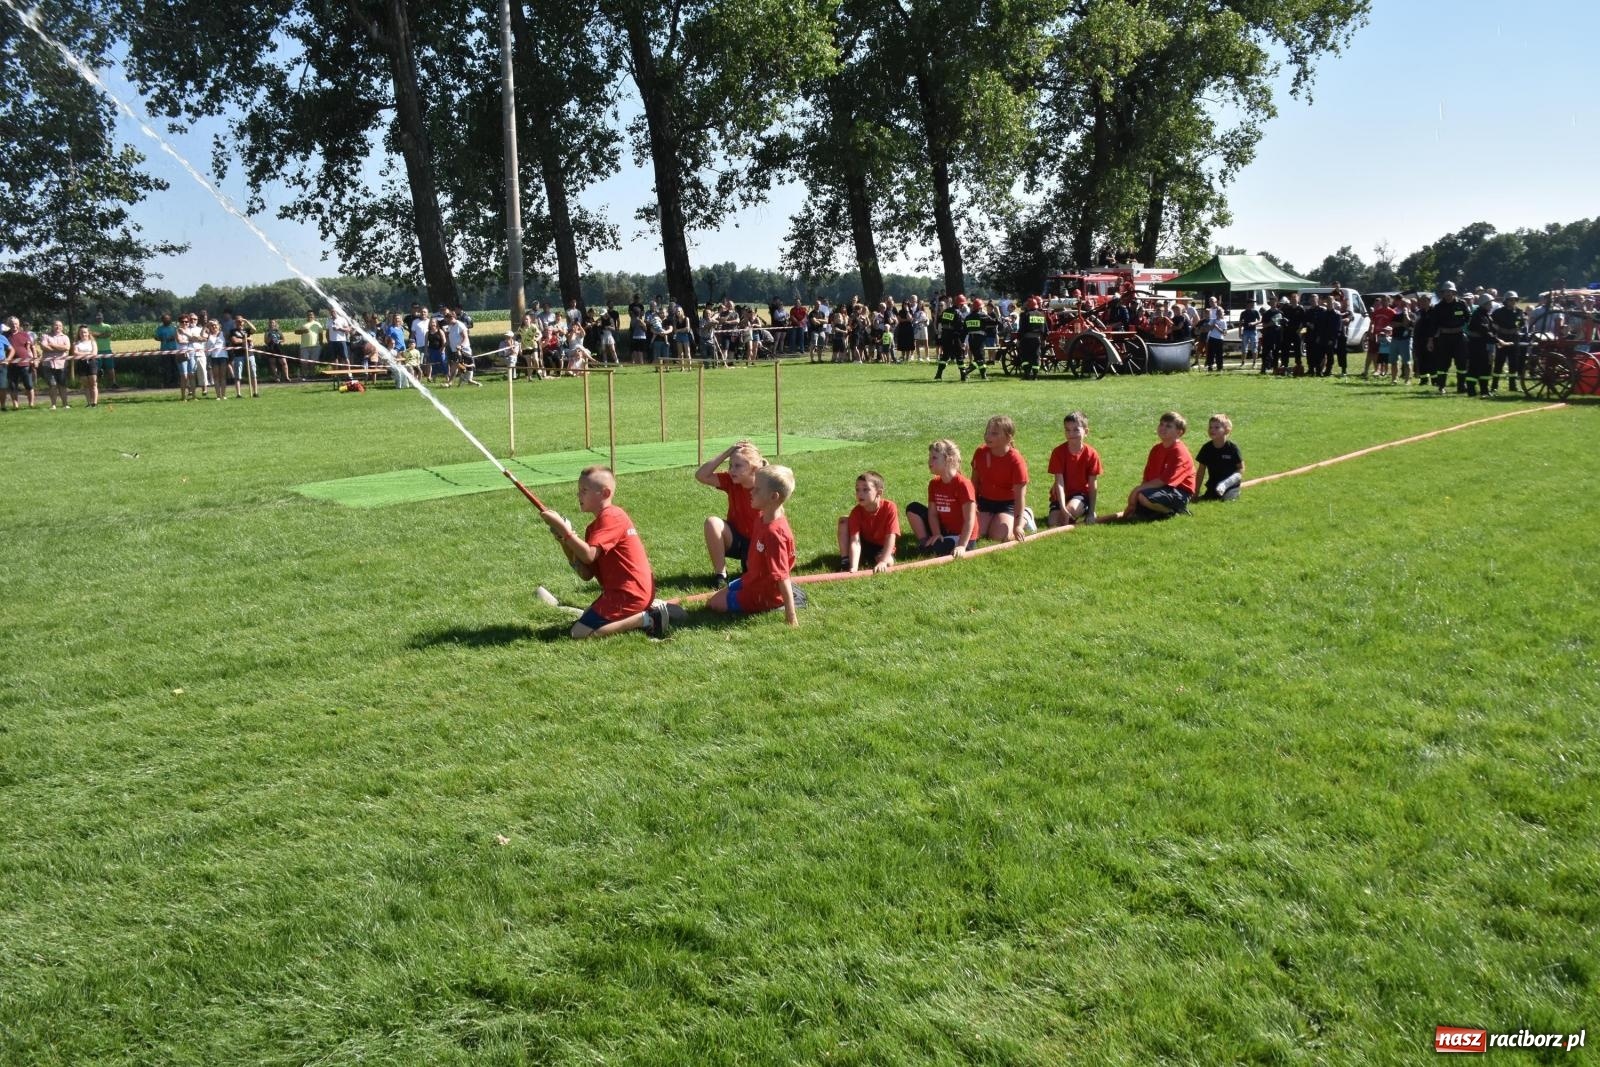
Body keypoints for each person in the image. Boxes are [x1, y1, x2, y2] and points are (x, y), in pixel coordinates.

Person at [537, 466, 675, 640]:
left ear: (605, 493)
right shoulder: (593, 528)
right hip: (620, 593)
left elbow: (588, 555)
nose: (578, 495)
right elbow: (586, 573)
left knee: (578, 633)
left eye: (584, 491)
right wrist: (563, 541)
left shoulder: (613, 516)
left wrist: (566, 532)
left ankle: (648, 619)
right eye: (578, 490)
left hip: (630, 594)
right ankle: (646, 613)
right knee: (586, 618)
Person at [706, 465, 801, 627]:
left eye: (757, 489)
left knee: (713, 605)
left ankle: (777, 604)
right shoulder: (762, 518)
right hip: (752, 579)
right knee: (712, 601)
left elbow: (782, 576)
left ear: (773, 497)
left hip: (763, 594)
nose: (751, 492)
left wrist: (791, 617)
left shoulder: (774, 534)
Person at [696, 439, 766, 589]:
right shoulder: (731, 481)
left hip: (759, 542)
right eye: (730, 465)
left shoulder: (765, 485)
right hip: (736, 539)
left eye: (737, 466)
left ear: (753, 468)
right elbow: (701, 475)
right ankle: (721, 575)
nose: (731, 470)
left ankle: (751, 562)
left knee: (754, 577)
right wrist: (727, 452)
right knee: (712, 522)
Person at [1112, 411, 1196, 521]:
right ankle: (1156, 512)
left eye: (1168, 426)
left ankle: (1173, 511)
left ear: (1179, 432)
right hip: (1160, 489)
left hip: (1179, 492)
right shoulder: (1156, 449)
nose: (1163, 428)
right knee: (1133, 512)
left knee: (1143, 496)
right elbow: (1147, 478)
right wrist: (1136, 499)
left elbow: (1163, 481)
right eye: (1161, 424)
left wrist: (1137, 491)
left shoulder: (1179, 452)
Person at [905, 438, 978, 557]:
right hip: (945, 531)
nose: (929, 461)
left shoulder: (963, 484)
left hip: (963, 536)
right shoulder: (934, 484)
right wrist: (937, 534)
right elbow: (932, 514)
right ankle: (925, 542)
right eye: (929, 457)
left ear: (948, 460)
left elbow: (970, 519)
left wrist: (962, 545)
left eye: (934, 458)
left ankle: (931, 547)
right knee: (913, 508)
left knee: (934, 550)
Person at [971, 414, 1029, 542]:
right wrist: (973, 503)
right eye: (987, 432)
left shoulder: (1016, 461)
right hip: (985, 501)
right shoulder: (980, 452)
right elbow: (974, 482)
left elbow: (1020, 496)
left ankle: (1025, 517)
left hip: (1007, 504)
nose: (987, 436)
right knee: (976, 533)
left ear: (1008, 438)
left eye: (994, 433)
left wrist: (1018, 526)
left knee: (998, 536)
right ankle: (993, 518)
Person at [837, 470, 901, 573]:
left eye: (865, 490)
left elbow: (891, 537)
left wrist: (883, 562)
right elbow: (855, 541)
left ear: (879, 493)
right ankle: (846, 561)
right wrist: (853, 568)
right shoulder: (856, 512)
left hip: (882, 546)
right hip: (865, 543)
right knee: (843, 521)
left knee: (888, 562)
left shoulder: (890, 507)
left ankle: (879, 558)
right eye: (857, 490)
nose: (860, 494)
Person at [1046, 410, 1101, 527]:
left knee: (1070, 510)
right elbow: (1059, 482)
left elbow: (1093, 484)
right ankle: (1065, 510)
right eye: (1067, 430)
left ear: (1086, 431)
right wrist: (1062, 508)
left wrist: (1091, 512)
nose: (1071, 434)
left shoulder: (1091, 454)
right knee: (1054, 523)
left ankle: (1084, 509)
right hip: (1061, 495)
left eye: (1076, 429)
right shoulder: (1058, 452)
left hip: (1080, 494)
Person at [1428, 282, 1469, 395]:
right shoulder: (1438, 307)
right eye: (1445, 292)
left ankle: (1461, 386)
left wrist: (1464, 329)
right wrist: (1431, 340)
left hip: (1459, 337)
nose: (1448, 294)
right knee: (1443, 363)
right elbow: (1433, 325)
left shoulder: (1461, 304)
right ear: (1443, 293)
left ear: (1454, 292)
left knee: (1461, 363)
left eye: (1450, 291)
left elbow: (1468, 318)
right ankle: (1441, 386)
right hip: (1444, 338)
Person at [1194, 414, 1244, 501]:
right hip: (1213, 485)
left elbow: (1241, 468)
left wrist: (1227, 483)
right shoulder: (1206, 448)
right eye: (1210, 427)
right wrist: (1196, 491)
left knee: (1226, 500)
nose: (1212, 430)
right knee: (1208, 499)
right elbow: (1201, 471)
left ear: (1226, 430)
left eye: (1217, 427)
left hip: (1230, 486)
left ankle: (1233, 492)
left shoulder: (1232, 448)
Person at [1490, 291, 1526, 393]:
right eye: (1510, 300)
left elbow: (1522, 324)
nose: (1513, 301)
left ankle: (1512, 386)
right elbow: (1492, 323)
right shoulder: (1498, 312)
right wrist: (1499, 330)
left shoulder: (1519, 312)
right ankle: (1494, 386)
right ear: (1506, 301)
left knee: (1513, 363)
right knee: (1499, 363)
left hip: (1514, 339)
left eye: (1514, 299)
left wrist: (1517, 329)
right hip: (1502, 339)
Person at [1465, 293, 1496, 397]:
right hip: (1476, 347)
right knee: (1474, 368)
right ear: (1484, 304)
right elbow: (1485, 331)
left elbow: (1491, 330)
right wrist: (1499, 341)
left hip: (1483, 346)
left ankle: (1484, 390)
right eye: (1489, 303)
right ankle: (1471, 390)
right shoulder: (1478, 315)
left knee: (1485, 368)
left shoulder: (1485, 315)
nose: (1491, 305)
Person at [38, 319, 71, 410]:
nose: (58, 327)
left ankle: (65, 404)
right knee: (53, 385)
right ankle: (53, 405)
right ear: (52, 326)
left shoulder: (65, 337)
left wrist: (52, 344)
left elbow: (67, 347)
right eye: (56, 325)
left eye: (60, 326)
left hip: (62, 365)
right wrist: (59, 349)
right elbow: (44, 346)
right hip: (48, 365)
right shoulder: (45, 336)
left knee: (62, 385)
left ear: (62, 327)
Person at [1016, 296, 1048, 380]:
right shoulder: (1041, 315)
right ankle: (1035, 376)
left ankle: (1026, 375)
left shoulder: (1025, 315)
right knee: (1036, 357)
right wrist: (1044, 339)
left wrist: (1018, 339)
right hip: (1037, 340)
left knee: (1025, 357)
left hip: (1026, 339)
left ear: (1028, 306)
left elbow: (1022, 329)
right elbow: (1045, 329)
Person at [7, 317, 36, 408]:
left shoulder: (24, 334)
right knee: (13, 386)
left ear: (19, 324)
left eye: (16, 323)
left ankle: (31, 404)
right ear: (9, 324)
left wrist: (34, 359)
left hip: (25, 364)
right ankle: (15, 405)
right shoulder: (4, 335)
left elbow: (31, 348)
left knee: (29, 385)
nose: (14, 325)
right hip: (11, 364)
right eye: (12, 323)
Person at [935, 296, 964, 380]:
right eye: (962, 304)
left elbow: (941, 321)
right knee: (959, 356)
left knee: (945, 356)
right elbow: (960, 326)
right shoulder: (958, 312)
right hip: (954, 337)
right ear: (959, 304)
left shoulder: (946, 311)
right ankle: (963, 375)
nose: (962, 306)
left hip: (945, 336)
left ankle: (938, 374)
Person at [1388, 297, 1415, 384]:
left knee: (1406, 362)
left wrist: (1405, 314)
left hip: (1405, 341)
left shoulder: (1412, 315)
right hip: (1395, 339)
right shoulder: (1395, 314)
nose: (1402, 305)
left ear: (1409, 305)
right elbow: (1392, 324)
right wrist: (1401, 324)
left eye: (1405, 304)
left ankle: (1407, 380)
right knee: (1393, 361)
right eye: (1401, 303)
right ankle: (1394, 379)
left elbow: (1408, 325)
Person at [73, 325, 99, 407]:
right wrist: (88, 353)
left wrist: (83, 354)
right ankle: (88, 402)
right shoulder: (76, 343)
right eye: (81, 332)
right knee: (85, 384)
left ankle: (94, 403)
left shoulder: (92, 342)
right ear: (79, 333)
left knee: (93, 383)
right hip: (81, 363)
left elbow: (94, 353)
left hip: (92, 363)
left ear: (88, 333)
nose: (83, 334)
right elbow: (75, 353)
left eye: (85, 332)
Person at [204, 319, 230, 399]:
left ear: (219, 326)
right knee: (216, 376)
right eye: (212, 325)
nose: (214, 326)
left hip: (223, 356)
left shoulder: (223, 334)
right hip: (213, 357)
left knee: (223, 376)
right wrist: (206, 325)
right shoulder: (208, 335)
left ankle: (224, 395)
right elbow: (202, 335)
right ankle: (218, 395)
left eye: (215, 325)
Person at [1203, 295, 1227, 372]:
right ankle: (1209, 365)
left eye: (1212, 301)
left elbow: (1224, 331)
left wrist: (1217, 326)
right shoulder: (1209, 310)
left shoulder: (1219, 309)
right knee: (1210, 351)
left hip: (1219, 337)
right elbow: (1208, 324)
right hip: (1211, 335)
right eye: (1209, 301)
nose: (1211, 303)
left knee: (1219, 353)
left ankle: (1219, 367)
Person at [91, 312, 116, 389]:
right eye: (97, 317)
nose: (99, 319)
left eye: (100, 317)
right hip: (96, 351)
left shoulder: (107, 326)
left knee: (110, 368)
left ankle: (113, 383)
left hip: (107, 350)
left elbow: (108, 334)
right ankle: (97, 385)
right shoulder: (91, 327)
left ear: (103, 318)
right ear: (95, 318)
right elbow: (90, 334)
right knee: (96, 369)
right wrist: (102, 334)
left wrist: (97, 335)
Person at [297, 311, 322, 380]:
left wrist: (321, 344)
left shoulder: (318, 324)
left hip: (315, 346)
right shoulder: (302, 323)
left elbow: (320, 335)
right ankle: (304, 376)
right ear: (306, 316)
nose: (310, 316)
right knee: (304, 362)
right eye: (308, 315)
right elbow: (296, 332)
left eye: (311, 315)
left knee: (313, 363)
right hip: (304, 346)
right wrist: (302, 331)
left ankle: (312, 375)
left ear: (314, 316)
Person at [1238, 297, 1261, 369]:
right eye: (1252, 303)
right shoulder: (1243, 313)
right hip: (1245, 331)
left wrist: (1254, 323)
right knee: (1244, 348)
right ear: (1248, 304)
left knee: (1254, 348)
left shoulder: (1255, 312)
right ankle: (1243, 363)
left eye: (1253, 303)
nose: (1253, 304)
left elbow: (1260, 320)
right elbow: (1240, 323)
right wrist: (1239, 332)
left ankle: (1254, 363)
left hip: (1253, 331)